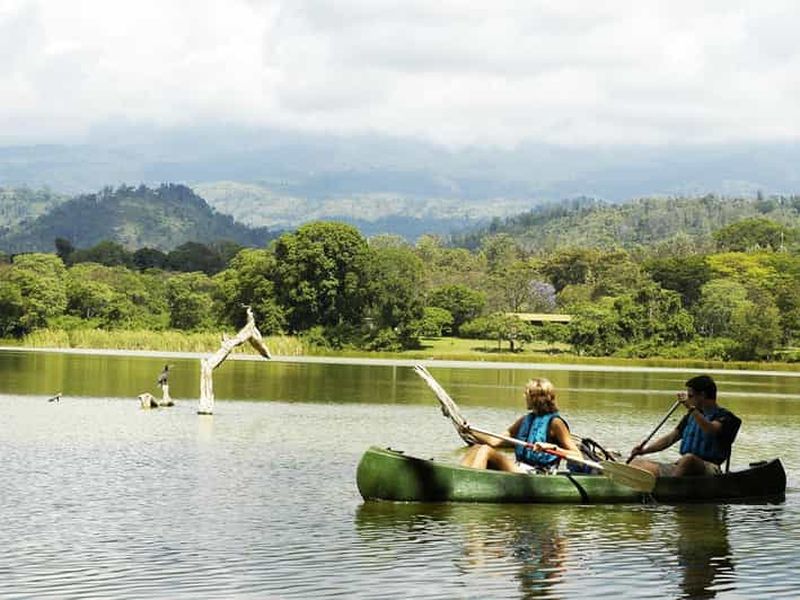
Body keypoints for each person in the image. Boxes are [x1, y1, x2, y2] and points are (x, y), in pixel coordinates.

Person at [460, 377, 583, 473]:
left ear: (537, 398)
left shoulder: (556, 423)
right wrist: (470, 431)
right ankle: (459, 477)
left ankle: (472, 482)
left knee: (485, 450)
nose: (524, 397)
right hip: (520, 468)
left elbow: (578, 456)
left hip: (539, 473)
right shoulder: (525, 420)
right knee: (477, 447)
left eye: (527, 394)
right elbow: (494, 441)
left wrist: (553, 448)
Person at [628, 375, 740, 477]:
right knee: (637, 463)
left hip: (710, 470)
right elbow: (669, 439)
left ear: (702, 395)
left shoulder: (725, 417)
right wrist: (643, 451)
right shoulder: (691, 416)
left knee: (688, 459)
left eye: (691, 395)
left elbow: (710, 429)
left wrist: (692, 409)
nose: (689, 399)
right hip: (681, 466)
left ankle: (670, 490)